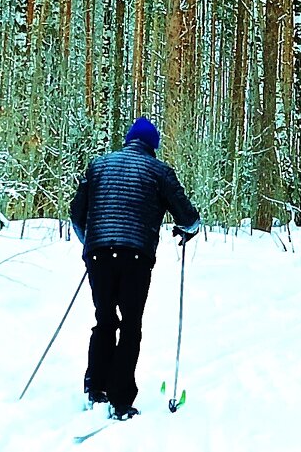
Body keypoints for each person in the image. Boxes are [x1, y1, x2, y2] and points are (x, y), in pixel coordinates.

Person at [70, 117, 201, 420]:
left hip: (99, 254)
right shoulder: (159, 171)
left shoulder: (98, 165)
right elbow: (188, 217)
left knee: (104, 318)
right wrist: (188, 231)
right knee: (131, 324)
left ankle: (96, 387)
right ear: (153, 146)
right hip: (136, 256)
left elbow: (77, 213)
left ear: (129, 140)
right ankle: (120, 399)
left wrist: (91, 242)